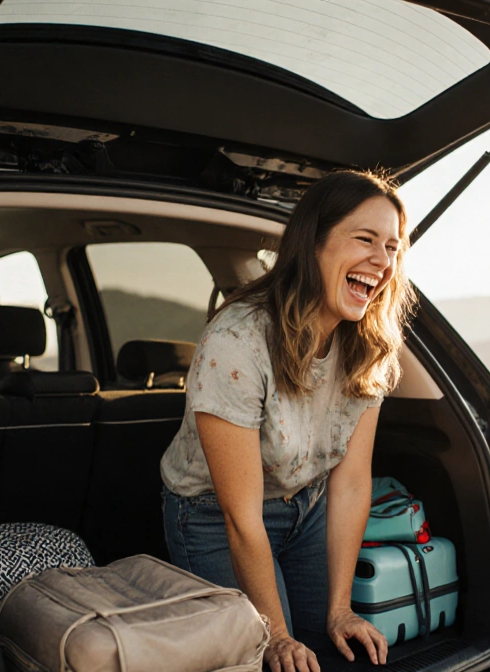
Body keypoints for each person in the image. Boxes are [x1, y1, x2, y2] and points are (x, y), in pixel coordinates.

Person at [161, 170, 414, 672]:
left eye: (392, 246)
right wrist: (274, 634)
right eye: (364, 239)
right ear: (313, 243)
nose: (382, 261)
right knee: (267, 660)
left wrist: (340, 609)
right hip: (214, 515)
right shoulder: (237, 342)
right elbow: (241, 515)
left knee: (326, 648)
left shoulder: (371, 346)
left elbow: (350, 482)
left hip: (310, 503)